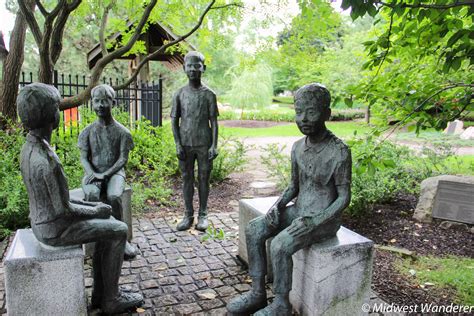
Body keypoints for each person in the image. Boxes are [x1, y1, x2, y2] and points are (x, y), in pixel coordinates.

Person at [226, 83, 352, 315]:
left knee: (280, 245)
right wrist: (278, 206)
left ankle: (281, 305)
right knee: (255, 229)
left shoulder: (339, 151)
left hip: (324, 220)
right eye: (299, 111)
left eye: (311, 112)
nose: (303, 118)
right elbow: (294, 186)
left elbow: (344, 197)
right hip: (299, 210)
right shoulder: (297, 148)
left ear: (326, 114)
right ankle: (257, 294)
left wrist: (316, 221)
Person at [18, 83, 143, 314]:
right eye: (57, 107)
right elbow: (63, 209)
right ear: (50, 116)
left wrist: (92, 206)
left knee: (108, 225)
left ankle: (100, 295)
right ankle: (111, 299)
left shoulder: (30, 149)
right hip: (55, 229)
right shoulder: (47, 161)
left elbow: (62, 201)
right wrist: (95, 210)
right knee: (118, 230)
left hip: (44, 222)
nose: (59, 111)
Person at [78, 84, 137, 259]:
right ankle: (96, 237)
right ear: (92, 103)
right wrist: (92, 174)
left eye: (105, 101)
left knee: (113, 196)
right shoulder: (87, 132)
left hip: (115, 173)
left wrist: (106, 174)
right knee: (92, 195)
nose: (100, 105)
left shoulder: (122, 132)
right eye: (96, 101)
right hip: (92, 172)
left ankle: (121, 237)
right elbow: (84, 158)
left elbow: (122, 160)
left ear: (113, 103)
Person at [171, 51, 219, 231]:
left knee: (204, 178)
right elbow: (174, 121)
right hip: (185, 143)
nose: (193, 69)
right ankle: (188, 214)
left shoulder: (209, 95)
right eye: (189, 65)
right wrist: (177, 143)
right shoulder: (179, 94)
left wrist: (214, 145)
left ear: (203, 68)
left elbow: (213, 122)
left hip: (204, 143)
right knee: (186, 179)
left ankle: (203, 214)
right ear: (184, 68)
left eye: (197, 65)